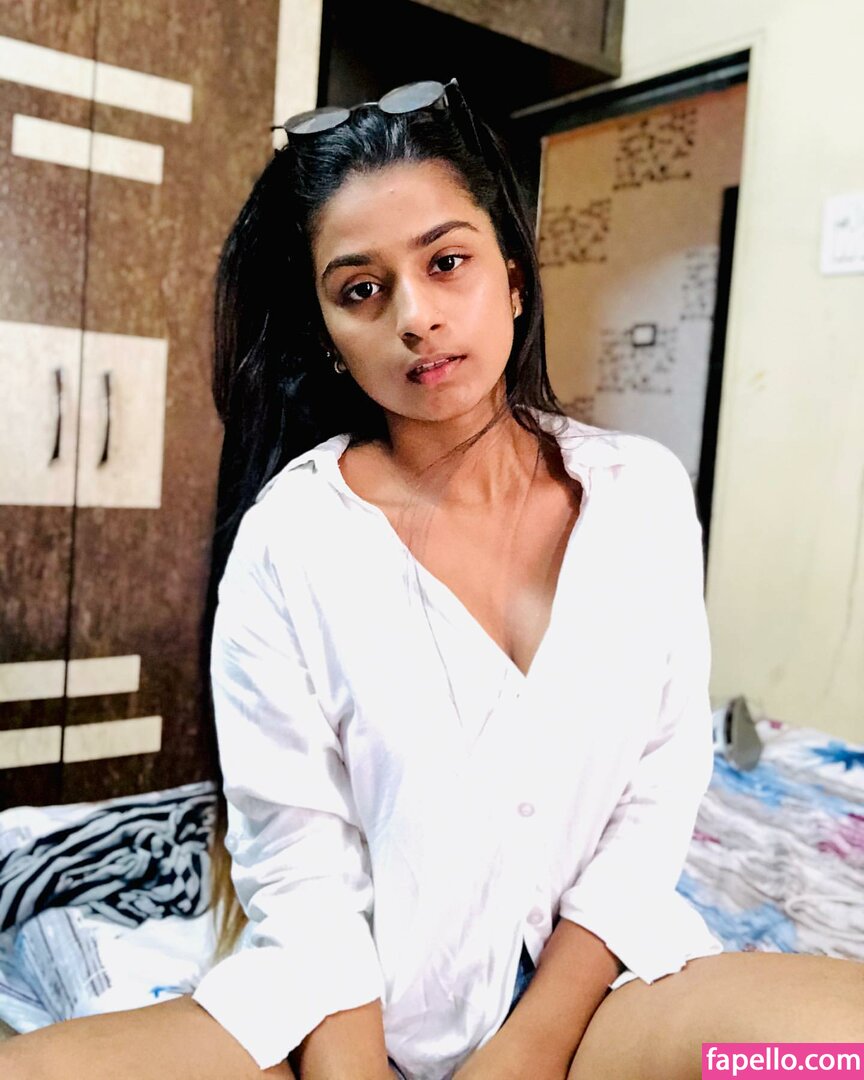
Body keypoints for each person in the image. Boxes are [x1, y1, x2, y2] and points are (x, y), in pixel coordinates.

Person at [3, 77, 863, 1080]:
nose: (416, 315)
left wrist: (532, 1048)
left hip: (598, 1002)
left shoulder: (642, 498)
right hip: (345, 1008)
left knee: (831, 1054)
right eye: (361, 290)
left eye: (447, 262)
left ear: (513, 279)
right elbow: (303, 872)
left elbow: (659, 789)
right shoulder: (293, 541)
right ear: (329, 333)